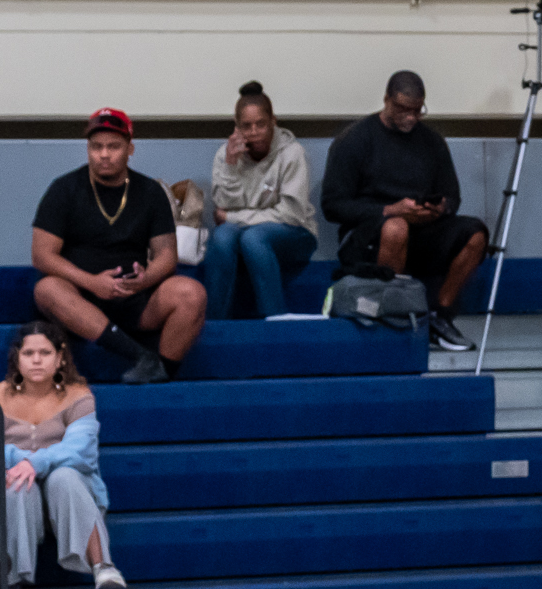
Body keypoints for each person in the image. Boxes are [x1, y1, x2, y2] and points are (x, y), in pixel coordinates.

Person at [32, 108, 207, 384]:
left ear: (130, 148)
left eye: (113, 146)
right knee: (47, 289)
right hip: (81, 297)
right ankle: (139, 356)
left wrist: (145, 279)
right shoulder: (64, 189)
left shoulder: (150, 192)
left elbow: (166, 255)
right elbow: (42, 255)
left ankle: (161, 373)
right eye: (96, 146)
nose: (104, 154)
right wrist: (91, 282)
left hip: (135, 295)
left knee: (191, 293)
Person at [321, 71, 488, 351]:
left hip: (421, 229)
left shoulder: (432, 142)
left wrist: (439, 209)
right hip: (368, 233)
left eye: (417, 111)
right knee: (396, 226)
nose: (410, 117)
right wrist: (389, 210)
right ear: (386, 100)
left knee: (475, 234)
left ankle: (440, 315)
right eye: (402, 109)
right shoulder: (354, 140)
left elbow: (452, 197)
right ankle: (390, 316)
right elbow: (333, 205)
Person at [0, 321, 125, 589]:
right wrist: (20, 462)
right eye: (28, 354)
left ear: (60, 358)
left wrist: (35, 463)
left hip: (67, 490)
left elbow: (81, 451)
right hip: (6, 487)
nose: (36, 360)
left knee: (64, 476)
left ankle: (103, 567)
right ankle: (7, 587)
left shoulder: (78, 396)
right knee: (19, 486)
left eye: (45, 353)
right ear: (17, 358)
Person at [205, 80, 319, 319]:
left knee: (253, 239)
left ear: (273, 122)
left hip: (295, 234)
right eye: (246, 126)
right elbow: (223, 207)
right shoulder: (225, 155)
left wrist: (234, 217)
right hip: (246, 235)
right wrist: (231, 166)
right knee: (223, 236)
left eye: (261, 124)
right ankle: (215, 325)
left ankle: (276, 322)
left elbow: (290, 214)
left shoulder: (292, 153)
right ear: (237, 127)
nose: (254, 132)